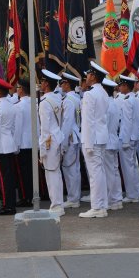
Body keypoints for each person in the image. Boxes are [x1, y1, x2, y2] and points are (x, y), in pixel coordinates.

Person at [79, 61, 110, 219]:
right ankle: (102, 205)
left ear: (93, 76)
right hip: (101, 137)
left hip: (93, 139)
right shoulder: (103, 92)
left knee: (95, 174)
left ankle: (97, 207)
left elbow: (88, 121)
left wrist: (88, 143)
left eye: (88, 74)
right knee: (100, 172)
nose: (86, 77)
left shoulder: (90, 94)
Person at [0, 77, 18, 216]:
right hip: (9, 144)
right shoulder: (10, 105)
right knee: (9, 177)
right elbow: (13, 128)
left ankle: (7, 205)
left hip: (0, 146)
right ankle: (10, 203)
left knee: (3, 178)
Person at [39, 70, 65, 216]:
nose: (41, 84)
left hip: (49, 141)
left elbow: (44, 128)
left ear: (46, 84)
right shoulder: (57, 98)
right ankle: (58, 203)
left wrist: (42, 150)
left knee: (51, 173)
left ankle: (56, 205)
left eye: (42, 82)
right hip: (57, 138)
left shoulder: (44, 102)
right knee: (56, 173)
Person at [60, 72, 82, 208]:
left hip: (70, 137)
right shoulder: (76, 98)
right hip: (76, 135)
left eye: (63, 83)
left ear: (67, 84)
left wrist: (63, 144)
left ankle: (73, 198)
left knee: (69, 168)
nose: (61, 85)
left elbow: (67, 123)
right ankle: (75, 196)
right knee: (75, 168)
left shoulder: (68, 100)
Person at [117, 75, 139, 203]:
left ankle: (132, 195)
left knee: (128, 167)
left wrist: (125, 140)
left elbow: (126, 122)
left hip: (127, 137)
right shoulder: (135, 99)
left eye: (121, 85)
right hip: (134, 136)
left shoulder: (127, 101)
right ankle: (135, 192)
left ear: (126, 86)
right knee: (133, 166)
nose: (120, 87)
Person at [102, 78, 124, 211]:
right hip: (113, 139)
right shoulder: (114, 103)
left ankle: (113, 200)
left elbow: (104, 124)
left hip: (108, 141)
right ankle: (117, 198)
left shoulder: (107, 105)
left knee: (109, 172)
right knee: (114, 171)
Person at [13, 79, 33, 207]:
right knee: (30, 172)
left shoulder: (19, 106)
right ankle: (30, 196)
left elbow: (17, 128)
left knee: (22, 173)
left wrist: (16, 145)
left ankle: (25, 197)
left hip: (23, 143)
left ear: (22, 89)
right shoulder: (35, 103)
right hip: (33, 142)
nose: (16, 89)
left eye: (18, 87)